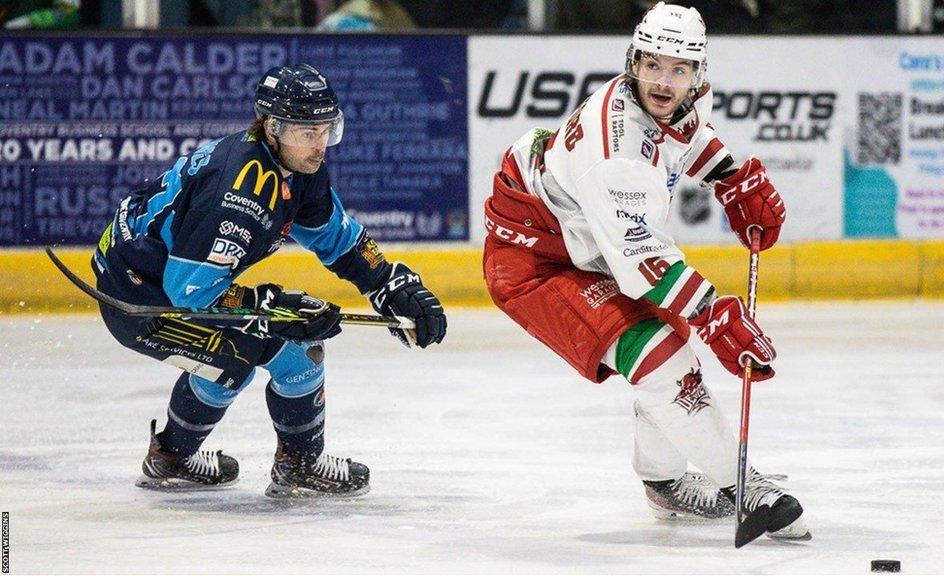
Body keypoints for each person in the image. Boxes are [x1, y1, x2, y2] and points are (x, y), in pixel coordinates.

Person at [481, 2, 808, 541]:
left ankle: (665, 483)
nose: (664, 81)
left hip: (581, 241)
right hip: (535, 260)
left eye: (679, 69)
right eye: (653, 65)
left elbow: (690, 136)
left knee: (672, 336)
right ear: (634, 60)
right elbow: (640, 262)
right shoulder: (619, 156)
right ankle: (742, 486)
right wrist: (714, 314)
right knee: (660, 358)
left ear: (698, 75)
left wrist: (729, 177)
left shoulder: (676, 102)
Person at [92, 63, 447, 498]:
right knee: (260, 355)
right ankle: (249, 463)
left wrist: (388, 284)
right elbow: (190, 291)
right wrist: (274, 308)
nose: (320, 146)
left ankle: (184, 458)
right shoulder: (238, 191)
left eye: (326, 131)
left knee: (268, 350)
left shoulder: (297, 167)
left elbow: (336, 238)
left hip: (158, 281)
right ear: (273, 127)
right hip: (140, 300)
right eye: (307, 133)